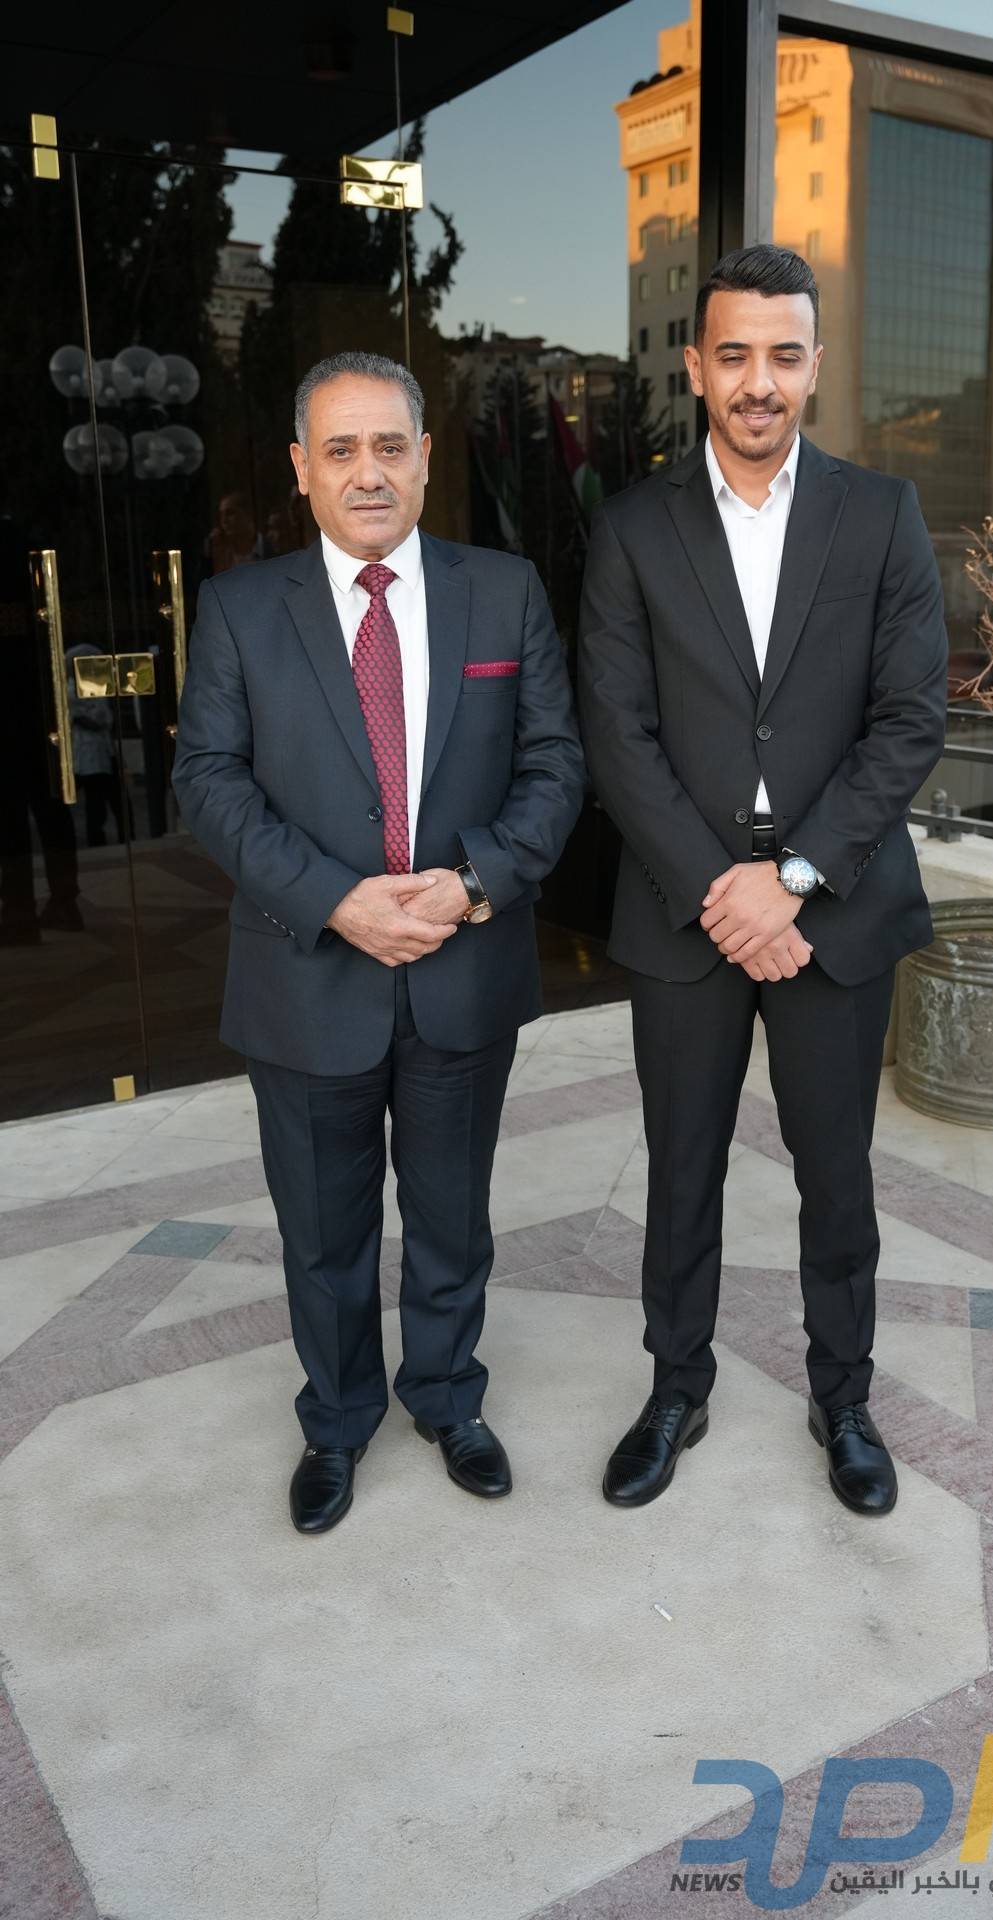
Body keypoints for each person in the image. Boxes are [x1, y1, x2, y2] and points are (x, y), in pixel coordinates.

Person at [173, 350, 584, 1533]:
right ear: (302, 468)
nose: (368, 472)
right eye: (341, 449)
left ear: (425, 459)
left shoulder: (501, 591)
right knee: (323, 1233)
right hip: (307, 974)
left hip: (466, 965)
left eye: (390, 446)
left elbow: (556, 765)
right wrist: (339, 900)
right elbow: (209, 782)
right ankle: (339, 1420)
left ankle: (449, 1398)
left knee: (453, 1218)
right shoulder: (241, 609)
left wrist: (472, 885)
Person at [577, 245, 948, 1516]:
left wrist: (788, 878)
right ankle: (676, 1387)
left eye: (784, 355)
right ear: (695, 367)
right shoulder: (632, 526)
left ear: (816, 365)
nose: (759, 381)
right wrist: (720, 890)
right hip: (683, 913)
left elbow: (910, 719)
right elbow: (615, 733)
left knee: (835, 1173)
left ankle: (842, 1396)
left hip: (832, 907)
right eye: (733, 354)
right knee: (681, 1168)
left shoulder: (881, 514)